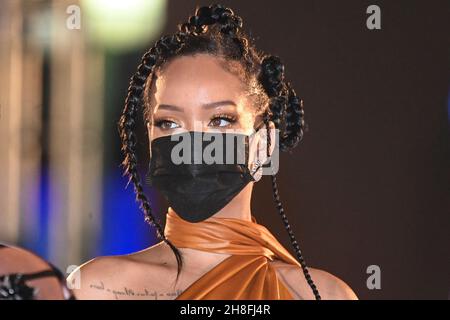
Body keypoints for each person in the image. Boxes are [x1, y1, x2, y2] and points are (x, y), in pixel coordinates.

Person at [68, 4, 357, 300]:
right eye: (169, 123)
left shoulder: (321, 294)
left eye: (220, 120)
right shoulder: (96, 288)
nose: (192, 144)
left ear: (264, 145)